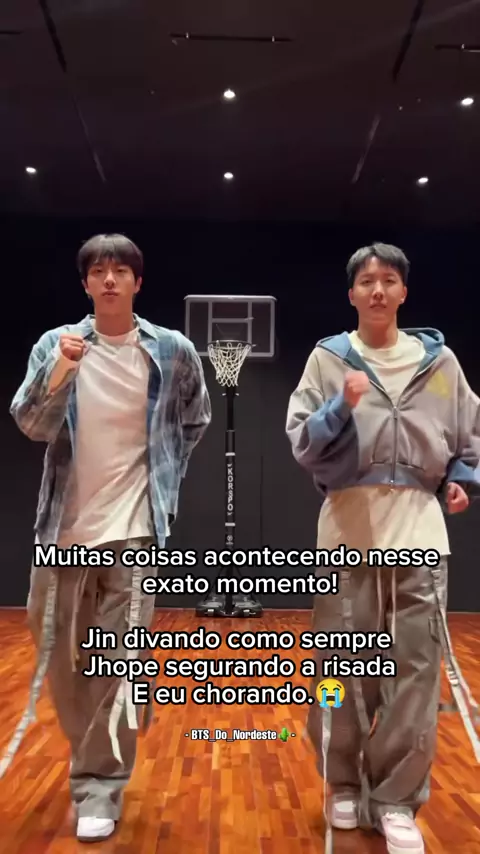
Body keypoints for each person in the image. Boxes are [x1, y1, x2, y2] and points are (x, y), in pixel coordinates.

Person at [3, 234, 211, 842]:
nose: (111, 280)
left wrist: (163, 472)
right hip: (63, 530)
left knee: (118, 664)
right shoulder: (56, 344)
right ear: (87, 284)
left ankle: (100, 784)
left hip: (135, 531)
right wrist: (62, 369)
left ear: (138, 283)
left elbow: (194, 417)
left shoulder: (171, 350)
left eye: (121, 271)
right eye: (99, 271)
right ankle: (95, 747)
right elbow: (30, 423)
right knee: (57, 655)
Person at [285, 243, 480, 854]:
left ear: (403, 293)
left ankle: (396, 799)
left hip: (420, 538)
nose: (377, 290)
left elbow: (468, 436)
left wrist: (461, 479)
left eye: (388, 280)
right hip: (347, 533)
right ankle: (343, 782)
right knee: (339, 668)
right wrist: (340, 406)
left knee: (415, 673)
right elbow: (302, 440)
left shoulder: (440, 363)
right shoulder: (328, 358)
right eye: (366, 281)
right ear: (351, 294)